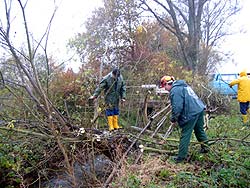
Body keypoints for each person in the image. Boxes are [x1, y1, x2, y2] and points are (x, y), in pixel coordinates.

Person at [160, 75, 209, 163]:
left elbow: (177, 107)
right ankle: (206, 148)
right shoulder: (183, 86)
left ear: (167, 84)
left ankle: (181, 158)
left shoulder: (175, 90)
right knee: (199, 130)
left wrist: (174, 118)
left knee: (185, 135)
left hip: (191, 113)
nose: (165, 89)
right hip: (199, 109)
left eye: (164, 87)